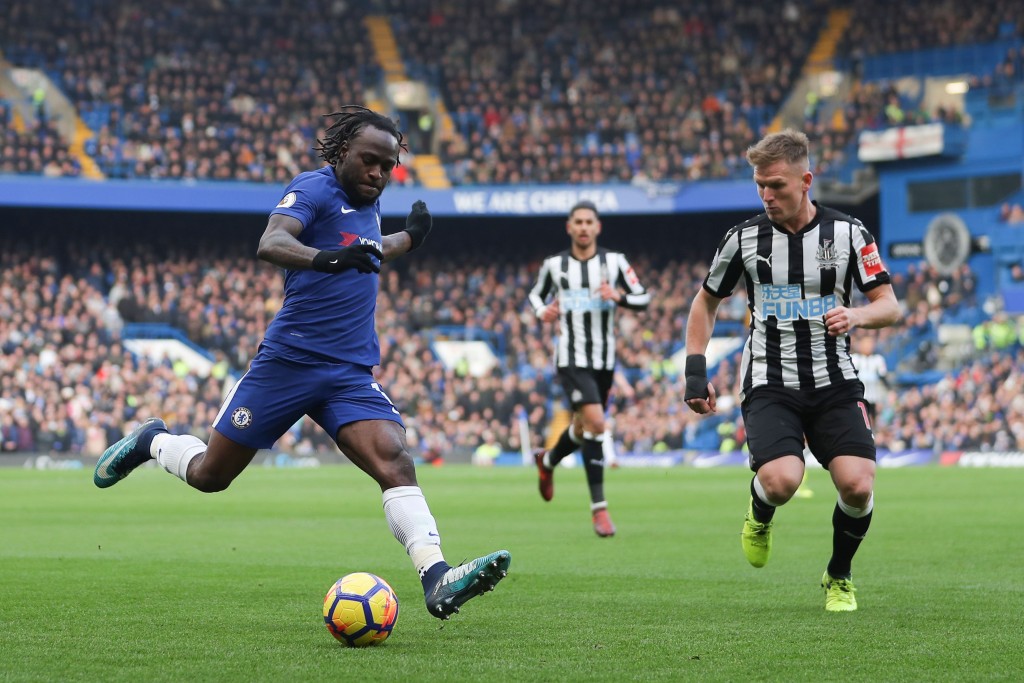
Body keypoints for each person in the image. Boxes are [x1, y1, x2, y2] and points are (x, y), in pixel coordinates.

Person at [94, 105, 510, 620]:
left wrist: (409, 240)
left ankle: (436, 576)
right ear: (341, 154)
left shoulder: (368, 202)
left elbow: (368, 251)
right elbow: (272, 243)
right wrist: (326, 259)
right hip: (287, 365)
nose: (378, 175)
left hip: (348, 372)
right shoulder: (313, 189)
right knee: (209, 476)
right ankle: (152, 440)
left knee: (395, 459)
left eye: (387, 167)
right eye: (369, 162)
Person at [683, 129, 900, 612]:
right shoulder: (743, 239)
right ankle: (760, 512)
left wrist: (858, 315)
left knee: (859, 486)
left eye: (776, 185)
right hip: (769, 380)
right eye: (760, 185)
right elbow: (706, 302)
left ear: (806, 180)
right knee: (782, 482)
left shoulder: (849, 234)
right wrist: (695, 370)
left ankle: (838, 575)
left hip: (834, 381)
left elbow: (889, 305)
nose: (766, 195)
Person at [528, 200, 651, 537]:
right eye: (577, 222)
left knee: (584, 427)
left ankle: (548, 461)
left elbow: (644, 297)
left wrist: (618, 296)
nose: (583, 227)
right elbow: (536, 296)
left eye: (588, 222)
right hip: (570, 357)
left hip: (604, 361)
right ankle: (600, 509)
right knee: (597, 422)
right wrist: (543, 312)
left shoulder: (615, 262)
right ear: (570, 227)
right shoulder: (554, 265)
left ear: (597, 227)